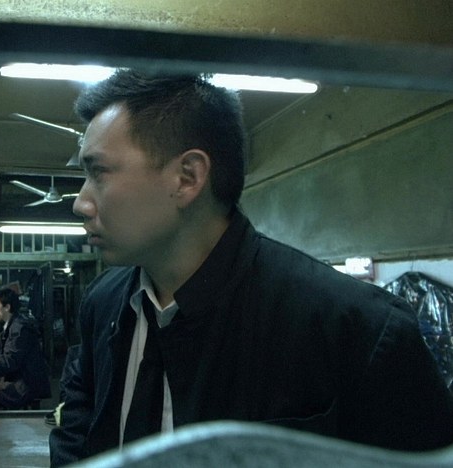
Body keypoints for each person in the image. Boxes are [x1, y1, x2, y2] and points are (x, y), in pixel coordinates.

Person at [49, 69, 453, 465]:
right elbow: (78, 425)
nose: (80, 203)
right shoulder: (103, 303)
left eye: (98, 173)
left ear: (187, 177)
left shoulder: (357, 331)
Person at [0, 288, 52, 440]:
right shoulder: (12, 324)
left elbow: (9, 361)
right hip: (21, 378)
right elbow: (7, 355)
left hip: (26, 383)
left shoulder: (19, 328)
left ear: (7, 307)